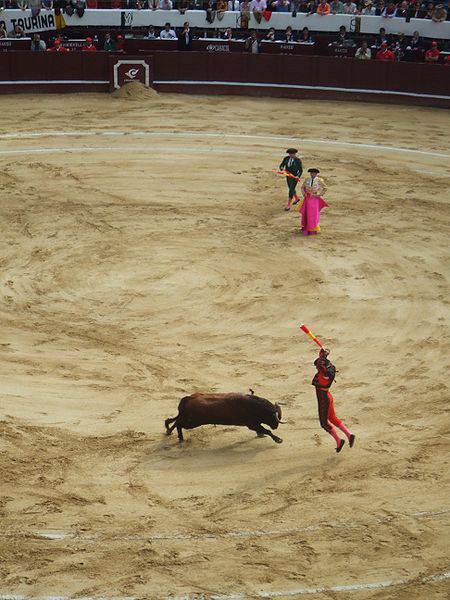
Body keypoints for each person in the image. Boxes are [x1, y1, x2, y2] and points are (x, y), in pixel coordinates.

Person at [312, 348, 355, 453]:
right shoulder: (330, 371)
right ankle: (349, 435)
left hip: (323, 399)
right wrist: (324, 355)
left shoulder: (324, 372)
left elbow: (318, 363)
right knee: (332, 418)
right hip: (327, 396)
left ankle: (339, 441)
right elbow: (320, 363)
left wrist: (323, 355)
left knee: (324, 423)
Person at [299, 168, 327, 235]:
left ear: (316, 174)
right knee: (306, 213)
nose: (312, 174)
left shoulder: (319, 180)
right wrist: (303, 193)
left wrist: (319, 195)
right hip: (307, 198)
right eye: (311, 173)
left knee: (313, 214)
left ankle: (313, 229)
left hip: (314, 199)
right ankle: (306, 227)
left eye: (313, 173)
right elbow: (302, 187)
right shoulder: (307, 179)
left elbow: (325, 188)